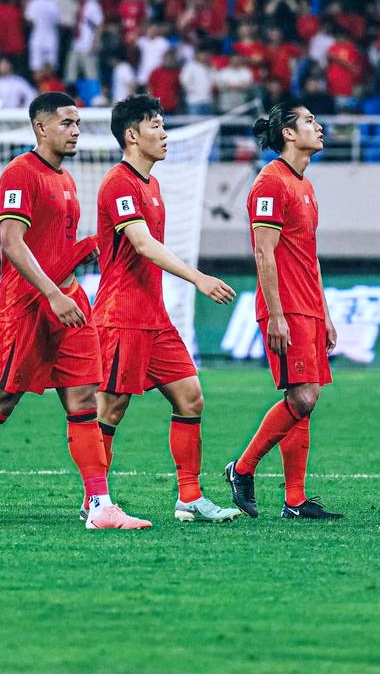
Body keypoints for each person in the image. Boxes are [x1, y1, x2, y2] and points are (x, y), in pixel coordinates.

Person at [0, 92, 142, 530]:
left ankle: (99, 505)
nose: (76, 131)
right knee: (3, 399)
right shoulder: (20, 172)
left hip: (68, 302)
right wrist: (53, 294)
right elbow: (11, 243)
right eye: (67, 123)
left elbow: (50, 247)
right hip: (27, 306)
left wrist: (82, 251)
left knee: (83, 400)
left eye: (78, 124)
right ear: (41, 127)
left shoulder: (66, 179)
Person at [91, 94, 241, 524]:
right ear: (131, 135)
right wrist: (198, 278)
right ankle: (95, 499)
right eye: (155, 125)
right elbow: (141, 244)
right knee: (110, 409)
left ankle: (190, 498)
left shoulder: (151, 186)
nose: (164, 133)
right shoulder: (118, 183)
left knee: (190, 398)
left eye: (163, 124)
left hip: (154, 316)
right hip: (121, 315)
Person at [225, 100, 343, 520]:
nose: (319, 126)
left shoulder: (304, 186)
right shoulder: (270, 183)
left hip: (308, 306)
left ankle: (295, 500)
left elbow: (310, 256)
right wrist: (275, 314)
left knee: (306, 396)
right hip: (286, 306)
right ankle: (242, 469)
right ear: (288, 133)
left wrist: (325, 313)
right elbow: (264, 252)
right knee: (303, 396)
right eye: (310, 120)